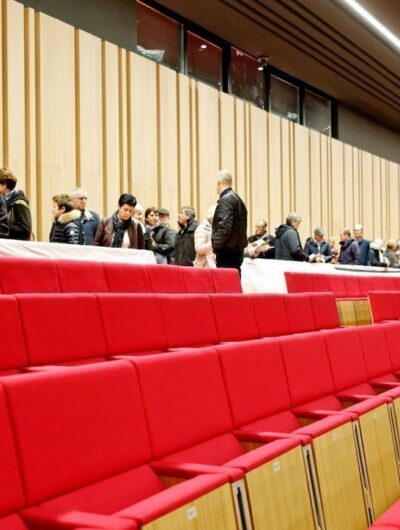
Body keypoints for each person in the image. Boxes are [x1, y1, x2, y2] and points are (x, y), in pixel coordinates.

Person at [212, 170, 247, 271]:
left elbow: (224, 228)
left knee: (225, 283)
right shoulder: (237, 199)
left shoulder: (227, 199)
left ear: (219, 182)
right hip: (236, 250)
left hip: (227, 251)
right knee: (233, 281)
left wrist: (216, 248)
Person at [0, 168, 32, 240]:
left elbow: (25, 230)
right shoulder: (5, 200)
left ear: (4, 184)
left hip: (16, 247)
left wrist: (3, 225)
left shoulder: (19, 203)